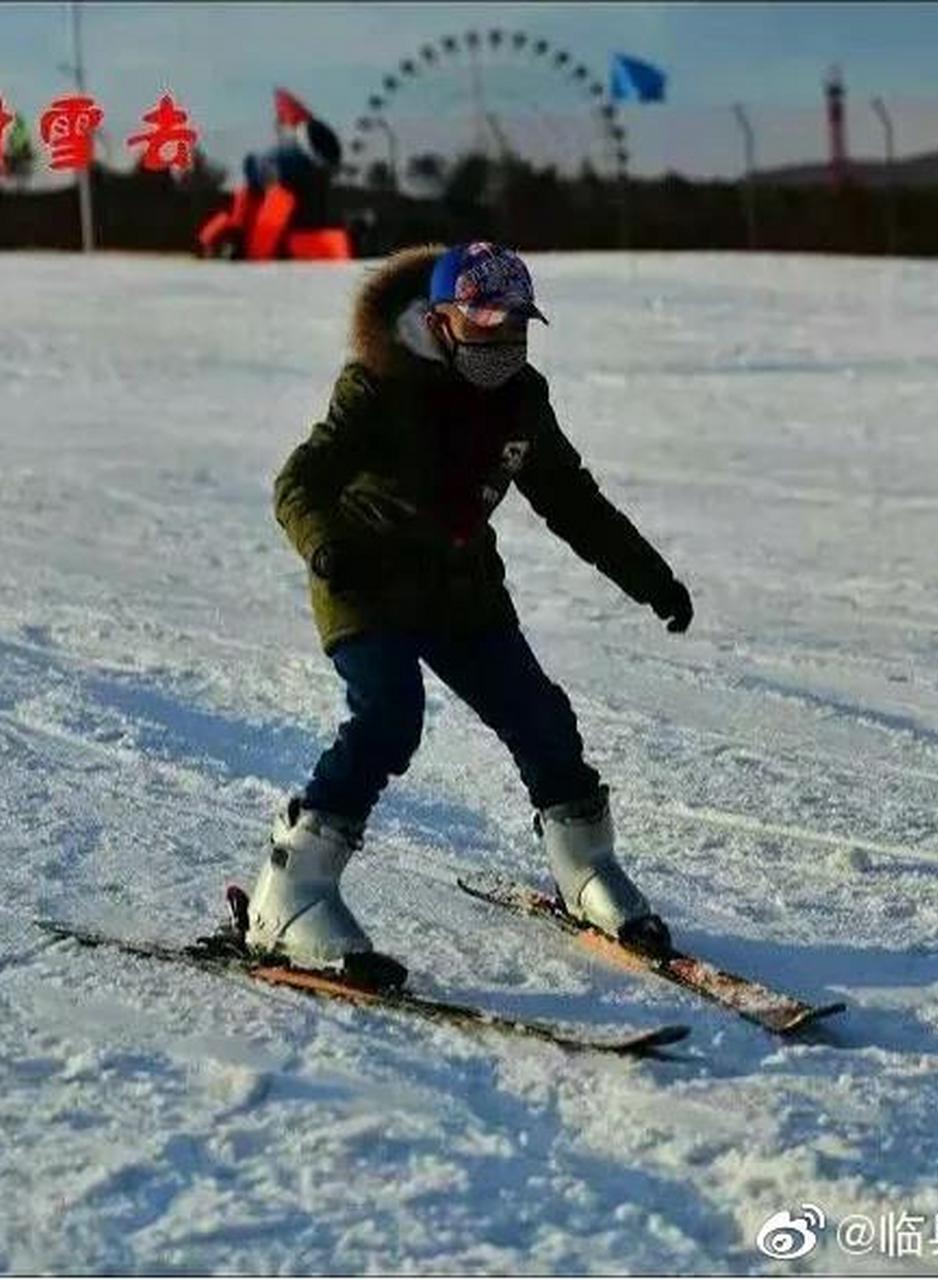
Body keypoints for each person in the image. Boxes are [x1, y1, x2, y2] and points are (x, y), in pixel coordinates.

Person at [246, 242, 694, 980]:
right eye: (483, 323)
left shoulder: (522, 400)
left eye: (516, 325)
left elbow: (573, 502)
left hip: (460, 589)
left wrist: (651, 580)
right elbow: (299, 478)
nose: (501, 342)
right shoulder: (379, 382)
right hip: (365, 576)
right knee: (388, 718)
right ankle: (289, 892)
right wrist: (323, 545)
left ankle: (585, 869)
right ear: (441, 320)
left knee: (539, 717)